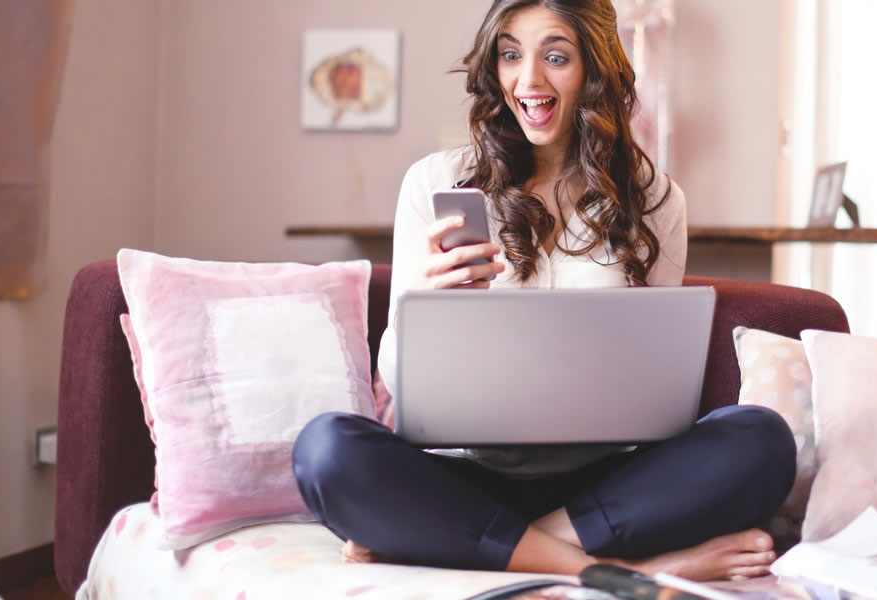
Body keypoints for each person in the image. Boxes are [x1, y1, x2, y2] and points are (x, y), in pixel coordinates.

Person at [292, 0, 796, 581]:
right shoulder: (434, 182)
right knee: (325, 450)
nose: (527, 80)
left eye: (555, 56)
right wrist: (421, 309)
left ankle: (471, 542)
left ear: (595, 67)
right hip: (464, 474)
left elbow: (660, 389)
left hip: (602, 488)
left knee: (761, 439)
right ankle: (632, 569)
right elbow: (406, 392)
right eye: (510, 55)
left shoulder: (655, 199)